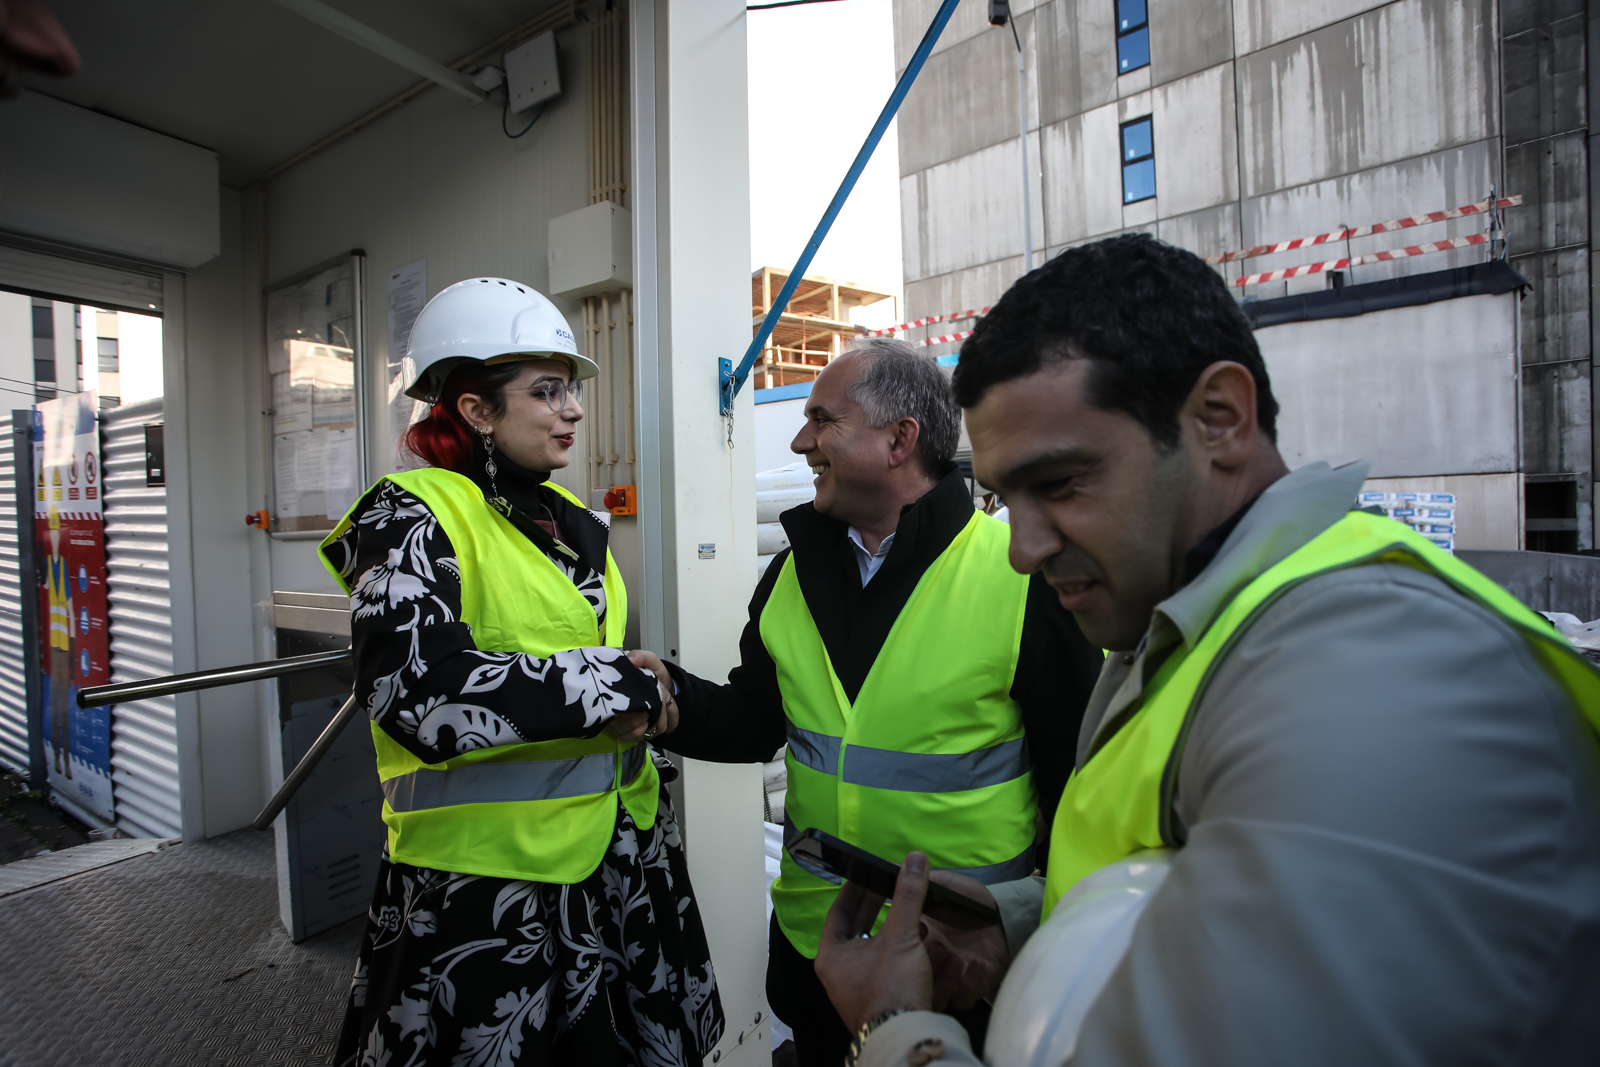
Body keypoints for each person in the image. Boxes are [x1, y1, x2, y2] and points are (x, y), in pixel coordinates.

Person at [814, 234, 1600, 1066]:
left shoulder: (1368, 682)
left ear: (1220, 418)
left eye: (1062, 483)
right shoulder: (1189, 612)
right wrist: (1015, 923)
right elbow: (1210, 870)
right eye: (1006, 497)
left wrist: (896, 1032)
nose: (1023, 547)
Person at [643, 338, 1104, 1066]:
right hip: (814, 948)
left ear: (900, 440)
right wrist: (666, 701)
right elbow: (755, 719)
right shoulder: (789, 576)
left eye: (822, 419)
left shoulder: (1021, 576)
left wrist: (1036, 935)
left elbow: (1083, 786)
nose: (801, 440)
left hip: (958, 961)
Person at [323, 278, 723, 1067]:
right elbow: (416, 693)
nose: (573, 408)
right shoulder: (408, 515)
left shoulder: (571, 527)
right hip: (487, 891)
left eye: (570, 389)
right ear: (474, 409)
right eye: (546, 391)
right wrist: (610, 685)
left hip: (617, 865)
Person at [44, 504, 72, 778]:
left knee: (64, 700)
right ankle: (56, 757)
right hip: (53, 643)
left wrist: (73, 643)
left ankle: (64, 756)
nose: (53, 538)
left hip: (64, 644)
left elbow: (72, 609)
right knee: (56, 701)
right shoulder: (47, 566)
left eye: (57, 533)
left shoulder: (63, 566)